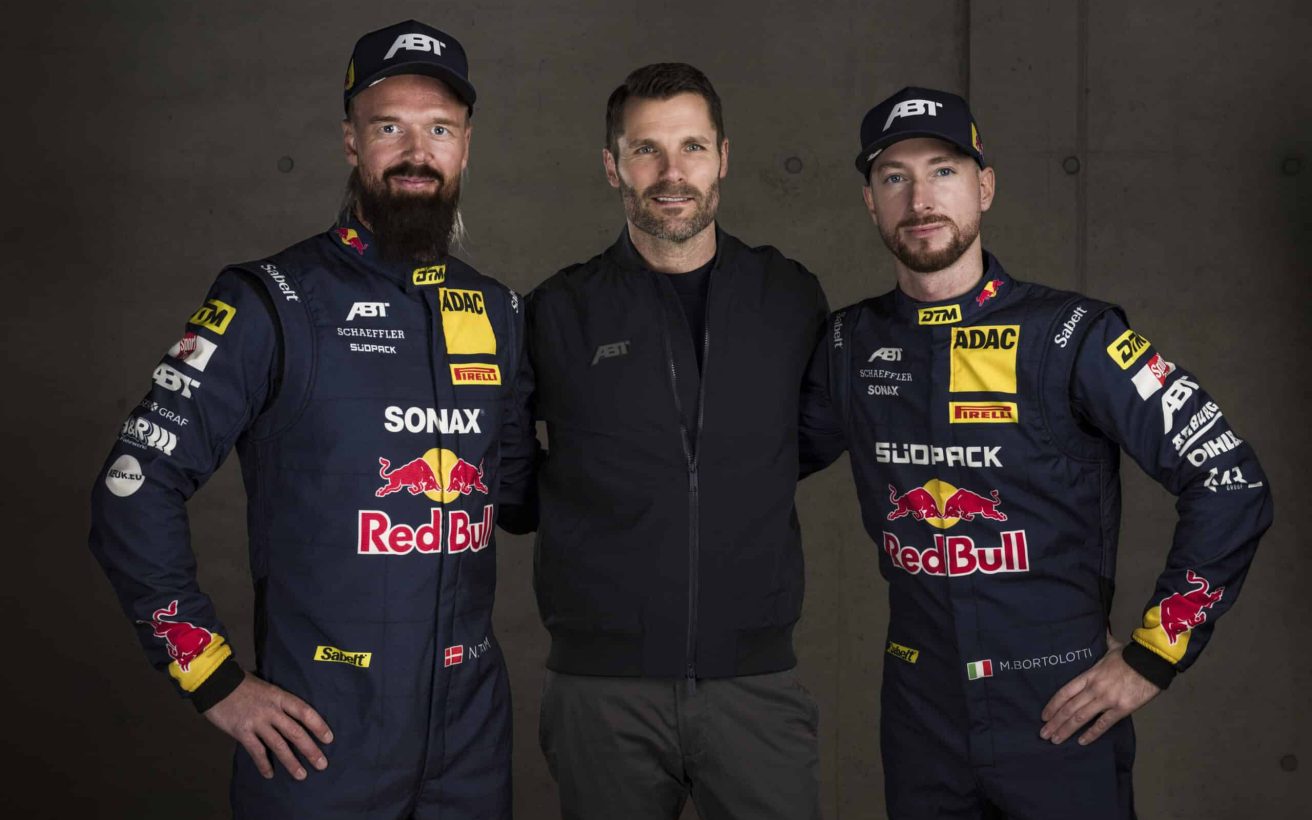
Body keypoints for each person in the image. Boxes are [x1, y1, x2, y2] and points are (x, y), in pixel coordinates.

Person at [88, 20, 532, 819]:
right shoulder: (269, 299)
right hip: (320, 745)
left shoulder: (498, 309)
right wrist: (211, 678)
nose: (415, 151)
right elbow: (131, 487)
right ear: (350, 143)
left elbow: (523, 493)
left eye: (439, 129)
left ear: (465, 146)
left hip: (470, 747)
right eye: (388, 126)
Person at [799, 86, 1273, 819]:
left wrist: (1155, 654)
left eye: (945, 170)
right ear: (870, 199)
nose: (920, 197)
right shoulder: (847, 344)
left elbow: (1230, 478)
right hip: (920, 712)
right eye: (895, 176)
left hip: (1059, 706)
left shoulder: (1073, 335)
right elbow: (752, 464)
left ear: (984, 186)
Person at [518, 63, 829, 820]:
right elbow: (508, 472)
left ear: (722, 156)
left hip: (755, 686)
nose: (671, 173)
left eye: (691, 147)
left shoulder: (788, 296)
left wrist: (731, 472)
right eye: (646, 149)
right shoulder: (559, 310)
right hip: (602, 692)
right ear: (612, 165)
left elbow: (810, 436)